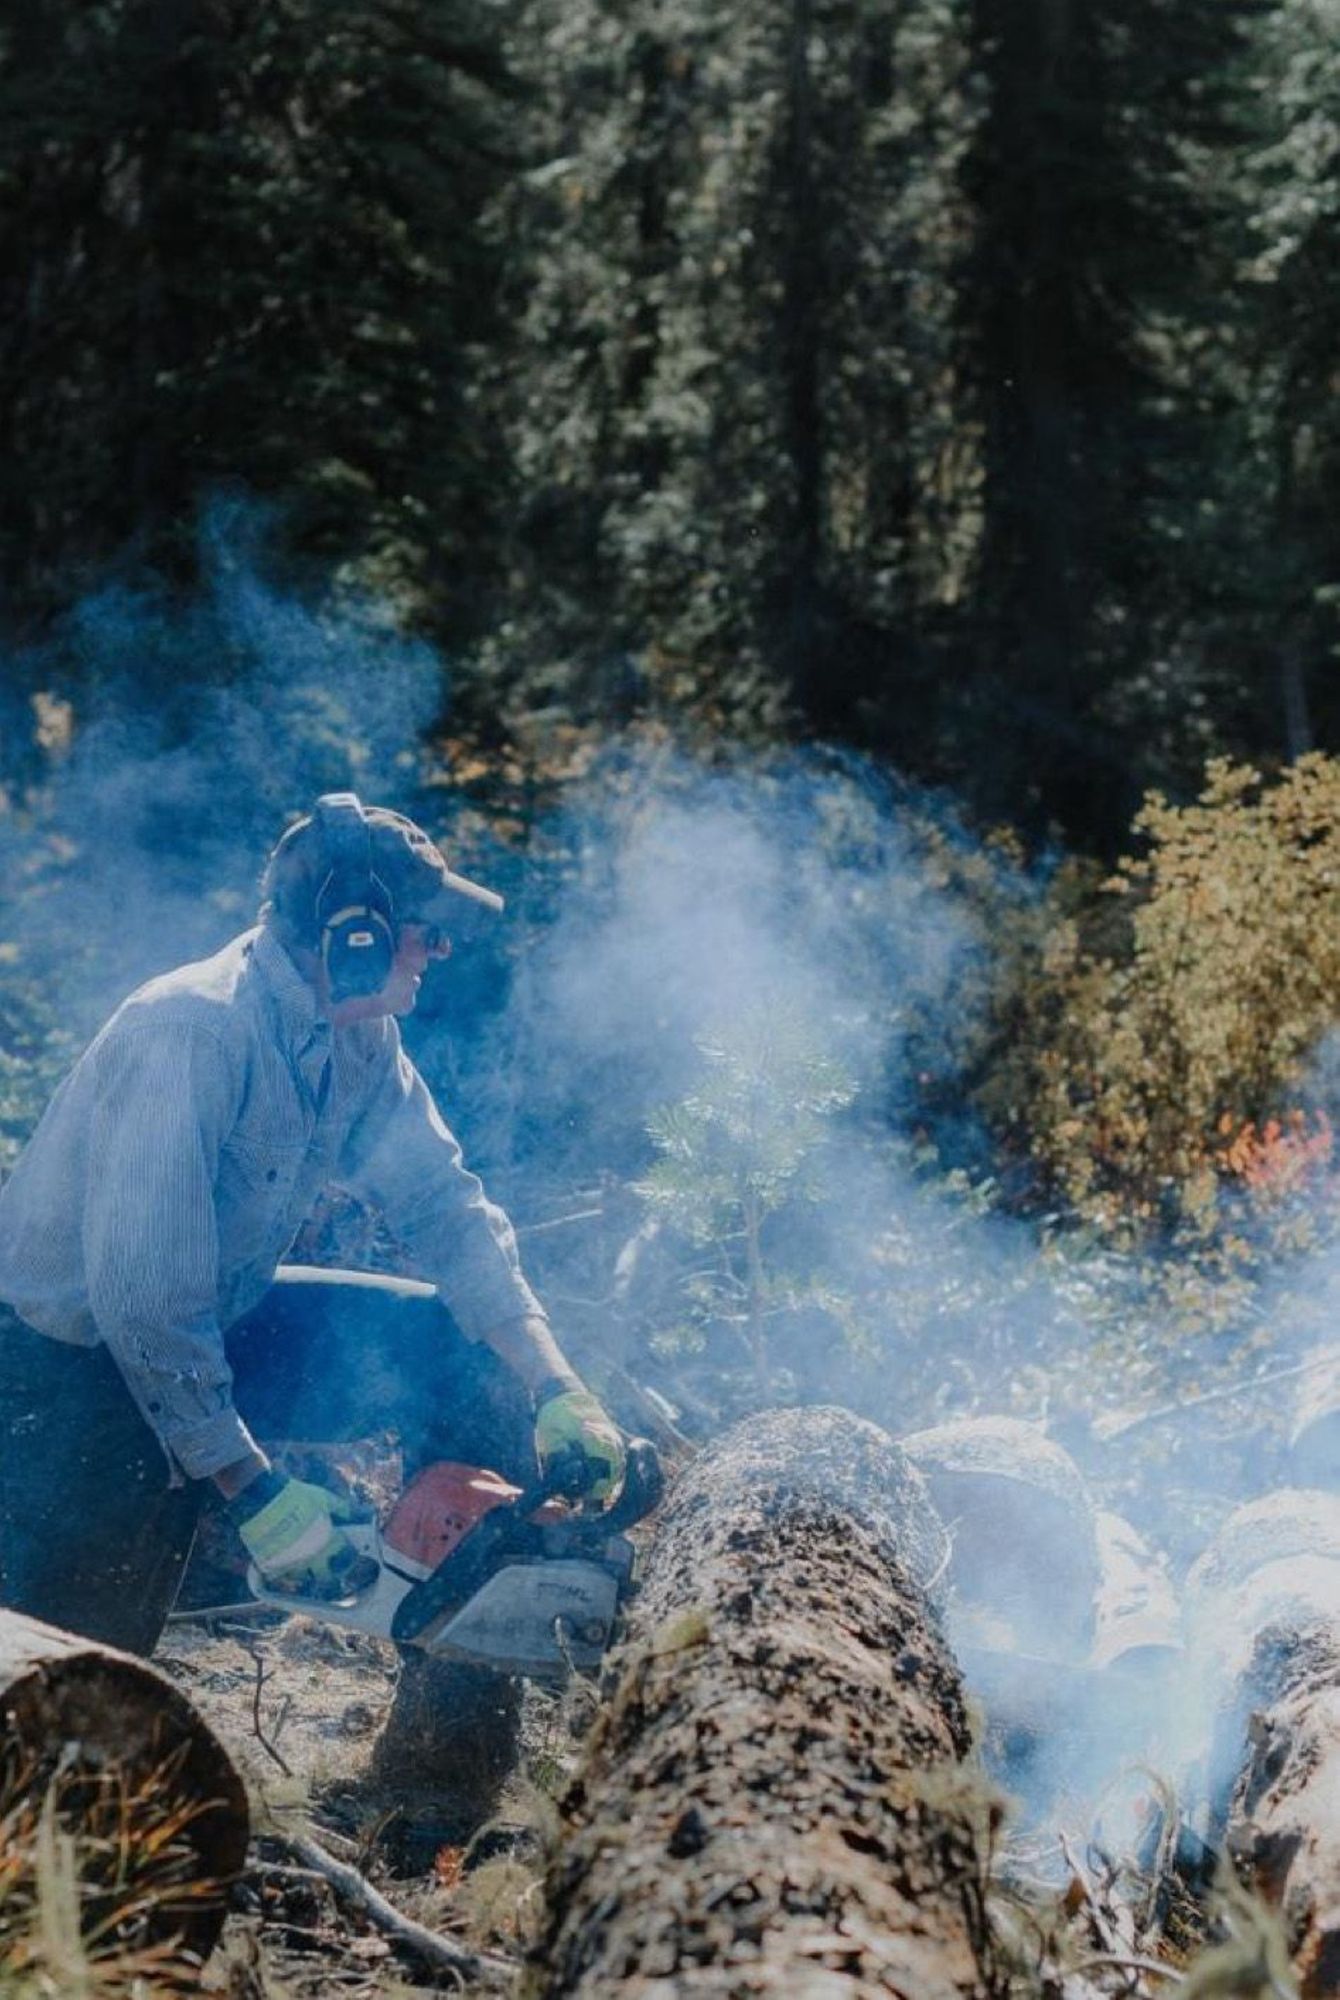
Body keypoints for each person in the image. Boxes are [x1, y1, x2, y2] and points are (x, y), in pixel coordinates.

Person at [0, 792, 625, 1664]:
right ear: (353, 934)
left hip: (217, 1320)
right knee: (85, 1672)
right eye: (424, 930)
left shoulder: (359, 1036)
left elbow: (443, 1204)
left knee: (454, 1349)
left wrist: (555, 1383)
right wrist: (255, 1492)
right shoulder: (191, 1033)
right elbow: (143, 1305)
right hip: (72, 1372)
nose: (439, 950)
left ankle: (452, 1714)